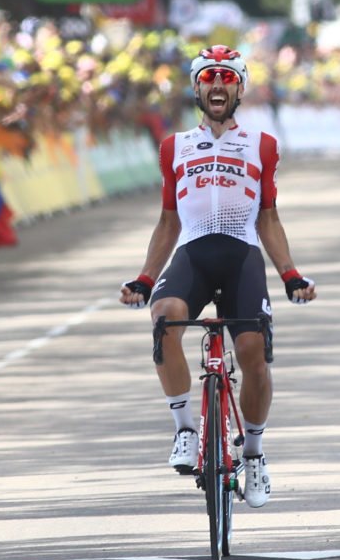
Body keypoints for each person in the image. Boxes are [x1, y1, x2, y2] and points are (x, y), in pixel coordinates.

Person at [119, 45, 317, 508]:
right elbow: (169, 221)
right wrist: (145, 279)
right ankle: (186, 428)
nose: (218, 85)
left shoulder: (262, 145)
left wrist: (290, 274)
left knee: (252, 353)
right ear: (196, 87)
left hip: (242, 254)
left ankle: (253, 452)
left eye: (228, 78)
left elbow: (268, 217)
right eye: (209, 77)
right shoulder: (175, 146)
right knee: (164, 317)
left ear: (240, 89)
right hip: (193, 252)